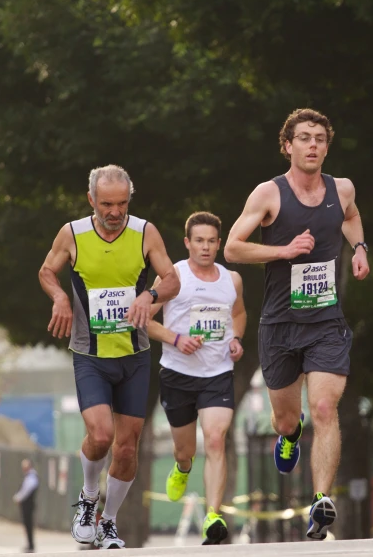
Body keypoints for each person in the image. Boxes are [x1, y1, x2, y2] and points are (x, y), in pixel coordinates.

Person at [224, 108, 370, 540]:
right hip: (280, 324)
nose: (312, 145)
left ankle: (321, 500)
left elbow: (351, 217)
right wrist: (284, 251)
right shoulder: (268, 194)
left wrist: (359, 247)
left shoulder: (341, 189)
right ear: (287, 145)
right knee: (287, 419)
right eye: (303, 138)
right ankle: (290, 434)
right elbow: (232, 248)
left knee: (326, 407)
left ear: (327, 145)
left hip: (326, 321)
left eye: (320, 138)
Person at [38, 164, 180, 549]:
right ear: (91, 201)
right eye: (106, 204)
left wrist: (149, 296)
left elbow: (172, 280)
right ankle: (87, 498)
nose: (115, 212)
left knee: (127, 446)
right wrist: (60, 297)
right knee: (100, 435)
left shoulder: (145, 232)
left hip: (134, 355)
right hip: (91, 353)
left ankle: (109, 522)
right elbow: (47, 271)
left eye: (121, 203)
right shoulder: (72, 234)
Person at [146, 211, 246, 545]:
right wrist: (176, 339)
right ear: (188, 242)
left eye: (211, 241)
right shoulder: (173, 275)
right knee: (184, 450)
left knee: (216, 440)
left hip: (217, 373)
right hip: (177, 373)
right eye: (198, 241)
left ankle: (213, 516)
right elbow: (143, 319)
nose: (205, 247)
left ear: (219, 244)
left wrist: (236, 339)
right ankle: (183, 467)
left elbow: (239, 314)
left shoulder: (231, 280)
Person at [13, 459, 40, 553]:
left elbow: (26, 490)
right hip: (26, 505)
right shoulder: (29, 476)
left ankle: (31, 545)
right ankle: (29, 544)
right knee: (27, 525)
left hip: (28, 505)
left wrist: (18, 498)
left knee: (28, 525)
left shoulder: (32, 476)